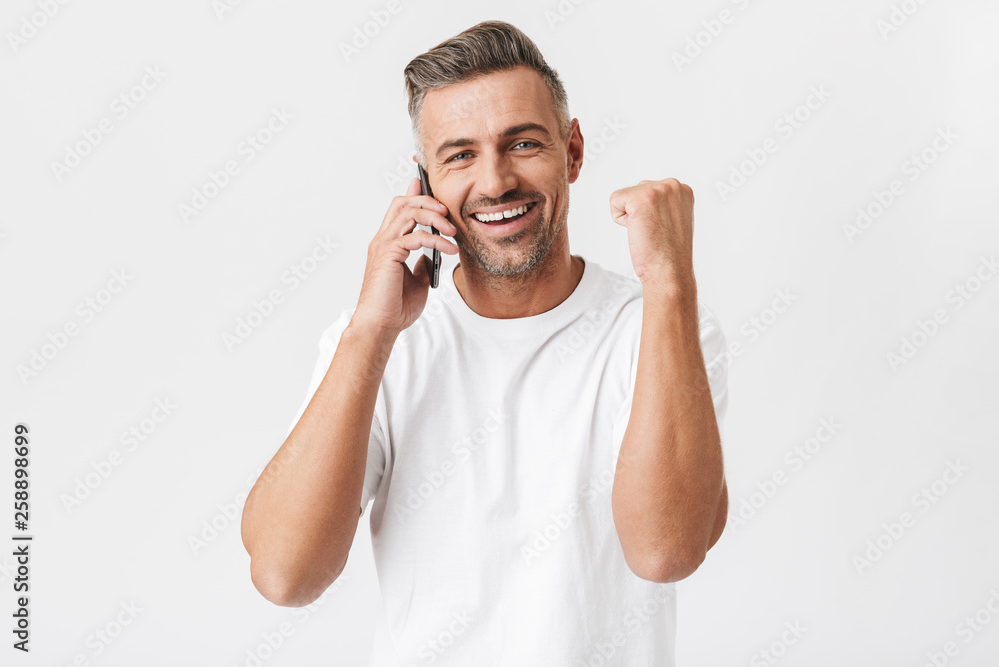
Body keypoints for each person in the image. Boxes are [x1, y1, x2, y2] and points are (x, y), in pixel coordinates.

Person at [241, 19, 730, 666]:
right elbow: (284, 574)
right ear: (424, 181)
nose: (496, 181)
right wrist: (369, 331)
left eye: (523, 143)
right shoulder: (380, 343)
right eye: (460, 154)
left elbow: (667, 548)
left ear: (573, 151)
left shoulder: (664, 326)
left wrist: (670, 279)